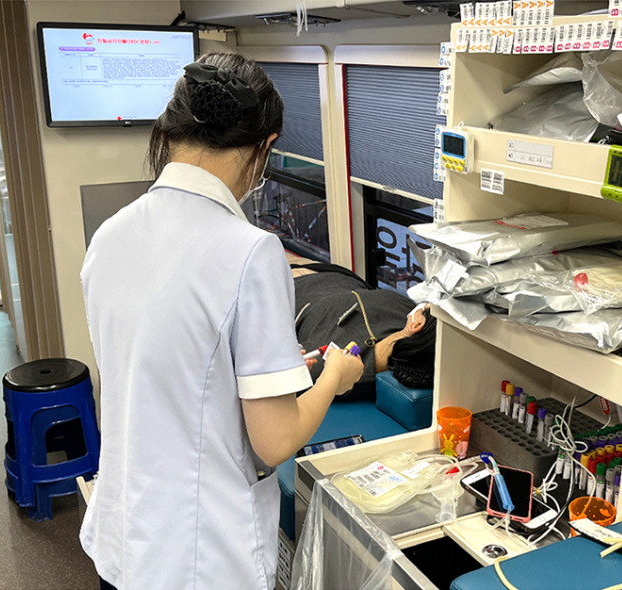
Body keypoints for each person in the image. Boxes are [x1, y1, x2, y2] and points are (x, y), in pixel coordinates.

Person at [78, 53, 363, 590]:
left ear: (169, 132)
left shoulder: (111, 235)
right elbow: (275, 441)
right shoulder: (251, 252)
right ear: (265, 147)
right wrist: (333, 377)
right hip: (198, 559)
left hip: (122, 541)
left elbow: (164, 373)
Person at [288, 254, 436, 399]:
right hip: (337, 273)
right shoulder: (405, 311)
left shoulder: (327, 369)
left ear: (417, 324)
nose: (423, 304)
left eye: (428, 305)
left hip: (290, 286)